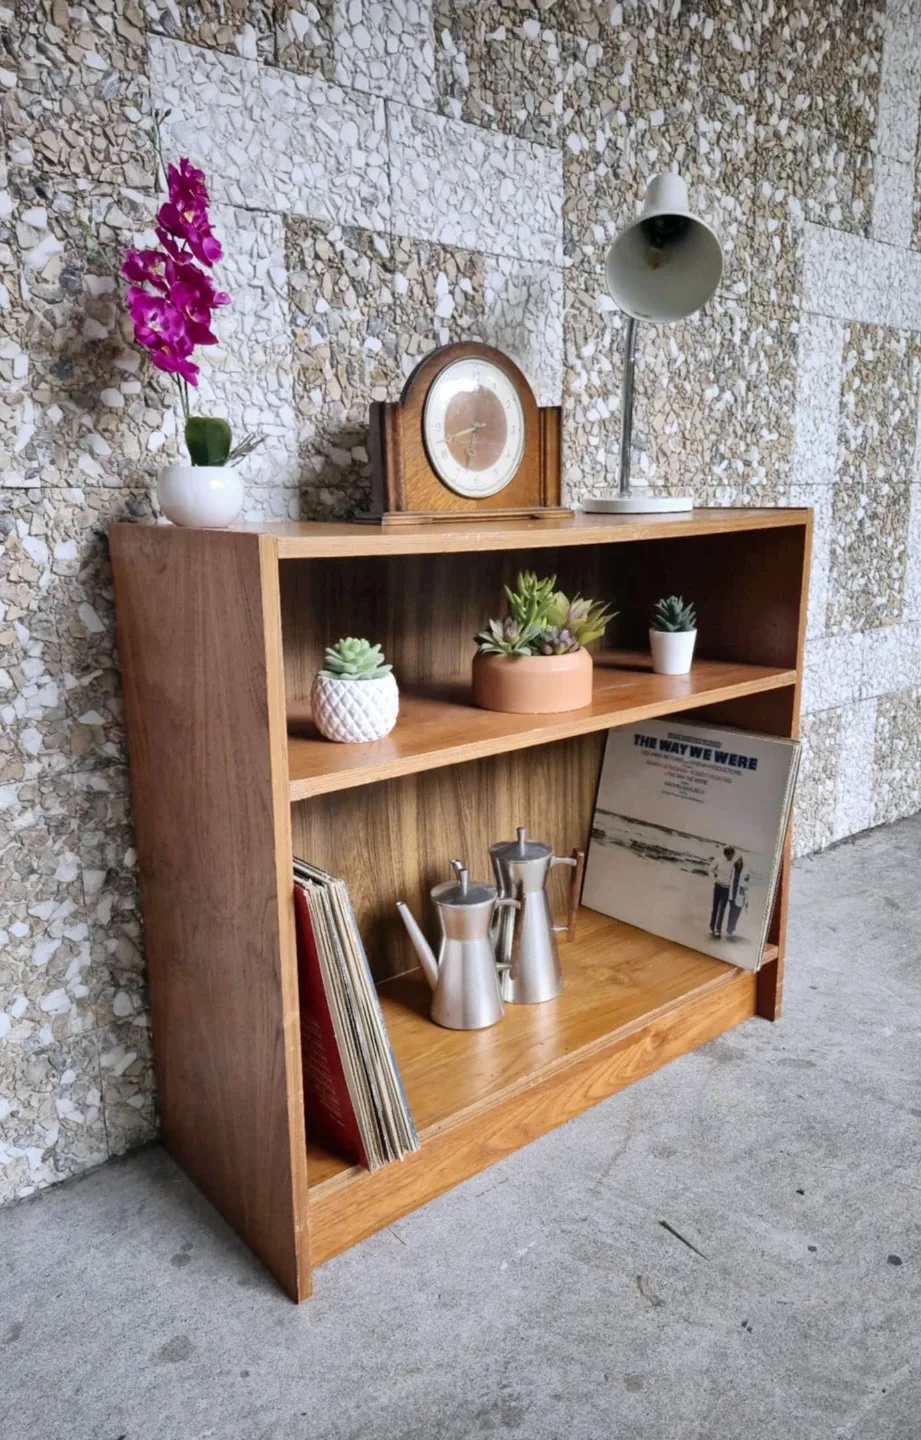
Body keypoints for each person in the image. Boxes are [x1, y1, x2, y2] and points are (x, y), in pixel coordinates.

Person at [709, 846, 737, 939]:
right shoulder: (718, 860)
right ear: (726, 854)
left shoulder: (734, 863)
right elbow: (710, 870)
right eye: (731, 855)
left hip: (726, 889)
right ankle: (712, 927)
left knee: (722, 910)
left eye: (733, 855)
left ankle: (718, 930)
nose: (732, 856)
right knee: (715, 908)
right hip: (718, 886)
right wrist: (714, 880)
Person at [727, 865, 750, 939]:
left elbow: (746, 891)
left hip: (739, 896)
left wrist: (746, 904)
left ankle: (732, 929)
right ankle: (730, 929)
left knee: (736, 914)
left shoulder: (744, 873)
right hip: (732, 894)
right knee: (731, 914)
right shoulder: (732, 869)